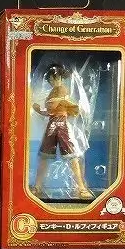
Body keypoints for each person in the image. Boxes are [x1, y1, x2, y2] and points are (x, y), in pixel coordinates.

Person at [31, 63, 93, 200]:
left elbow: (52, 107)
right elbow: (50, 110)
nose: (51, 81)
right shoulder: (55, 91)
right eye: (50, 79)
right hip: (52, 124)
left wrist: (38, 108)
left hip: (61, 124)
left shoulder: (61, 89)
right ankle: (38, 186)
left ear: (58, 77)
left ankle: (81, 187)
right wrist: (38, 108)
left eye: (53, 78)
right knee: (45, 155)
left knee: (72, 155)